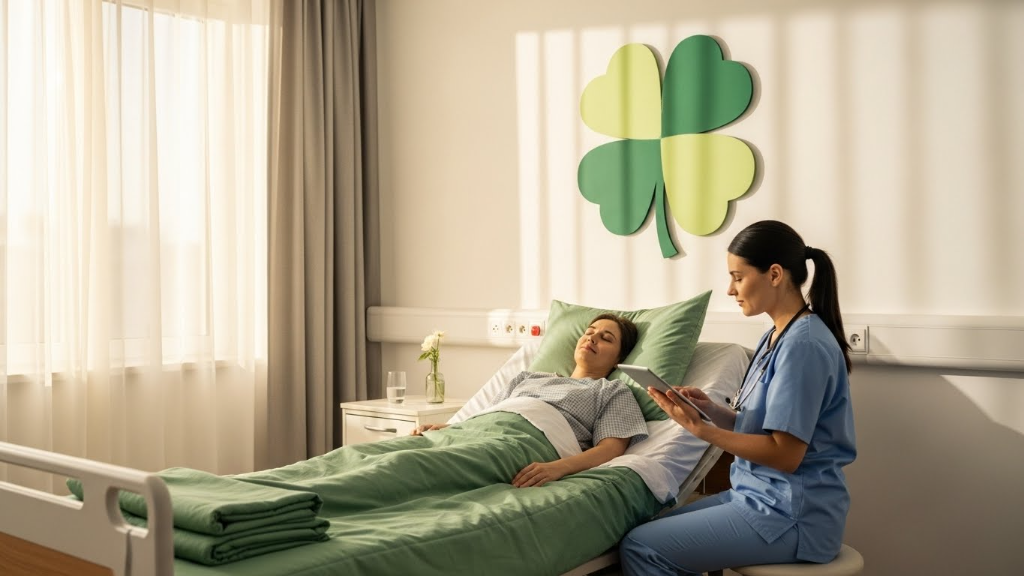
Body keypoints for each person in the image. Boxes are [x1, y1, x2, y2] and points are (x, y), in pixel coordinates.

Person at [619, 220, 857, 575]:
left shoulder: (803, 346)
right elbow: (760, 428)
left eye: (738, 276)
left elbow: (786, 455)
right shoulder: (774, 337)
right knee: (643, 530)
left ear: (774, 274)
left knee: (643, 548)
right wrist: (710, 410)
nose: (730, 290)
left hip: (792, 514)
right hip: (755, 496)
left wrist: (702, 431)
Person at [412, 313, 649, 488]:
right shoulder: (529, 377)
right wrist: (452, 428)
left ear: (619, 357)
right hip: (478, 433)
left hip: (524, 443)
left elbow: (610, 449)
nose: (592, 338)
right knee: (405, 451)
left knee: (417, 466)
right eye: (589, 332)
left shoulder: (610, 391)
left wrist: (558, 467)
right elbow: (490, 418)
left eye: (606, 338)